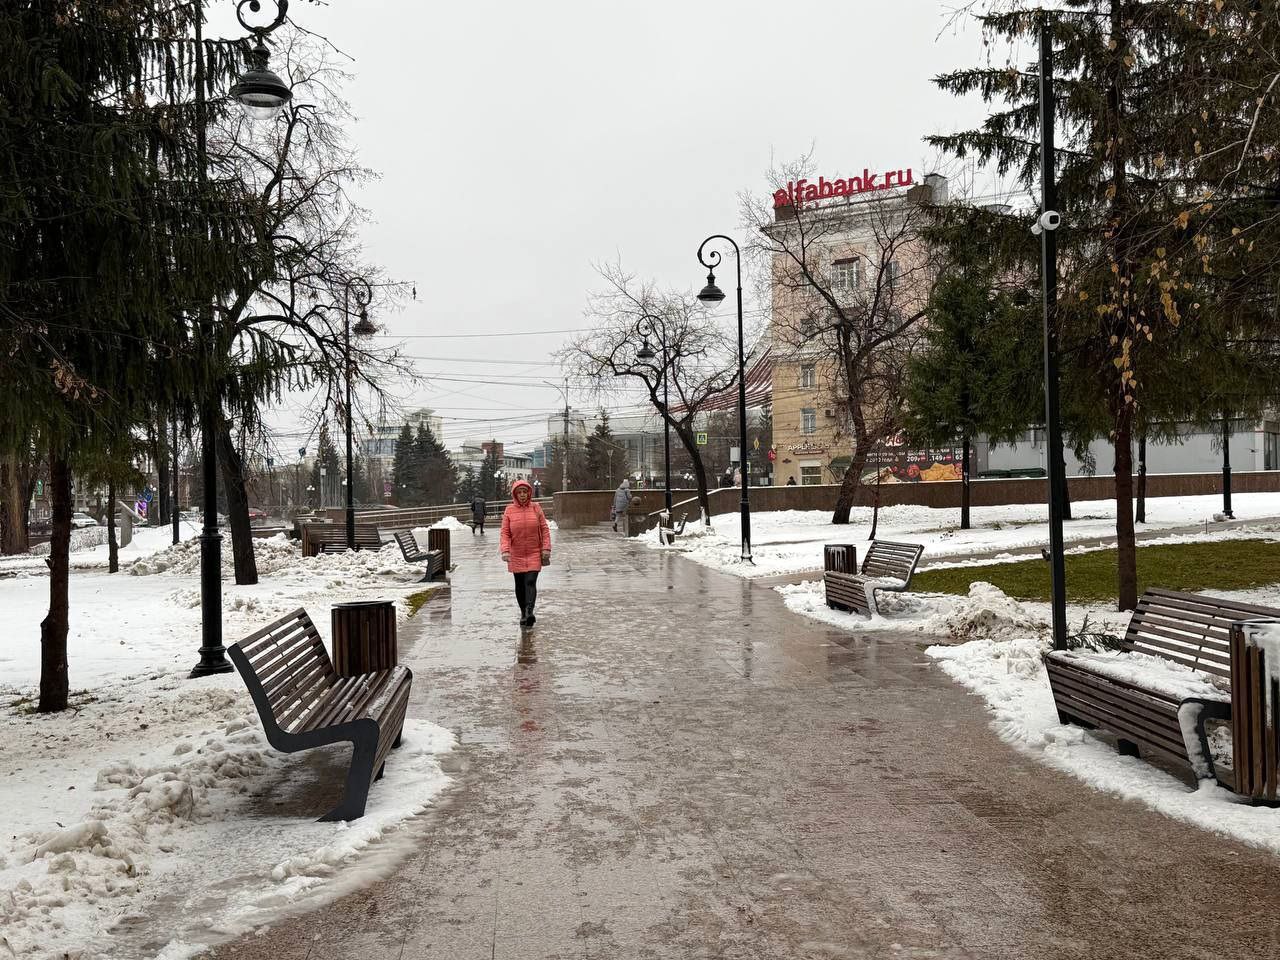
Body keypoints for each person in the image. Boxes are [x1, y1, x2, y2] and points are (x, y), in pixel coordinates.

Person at [500, 479, 551, 627]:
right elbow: (505, 533)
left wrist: (546, 548)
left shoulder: (536, 508)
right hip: (516, 554)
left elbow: (544, 529)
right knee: (520, 585)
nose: (522, 495)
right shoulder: (509, 510)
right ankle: (523, 612)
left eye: (525, 492)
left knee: (530, 582)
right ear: (515, 494)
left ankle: (529, 612)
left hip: (534, 552)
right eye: (519, 492)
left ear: (529, 493)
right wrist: (505, 550)